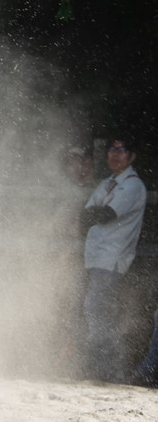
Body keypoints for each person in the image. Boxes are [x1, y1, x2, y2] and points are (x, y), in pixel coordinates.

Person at [79, 136, 147, 382]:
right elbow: (86, 214)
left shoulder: (132, 185)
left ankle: (111, 370)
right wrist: (91, 215)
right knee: (96, 311)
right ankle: (105, 368)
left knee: (97, 311)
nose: (115, 154)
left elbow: (105, 213)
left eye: (122, 150)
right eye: (112, 149)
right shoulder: (108, 183)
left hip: (112, 258)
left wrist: (92, 215)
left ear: (131, 156)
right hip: (96, 256)